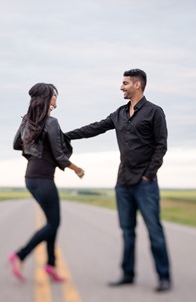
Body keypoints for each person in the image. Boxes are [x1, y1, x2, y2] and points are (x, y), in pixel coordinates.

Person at [65, 69, 171, 292]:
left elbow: (161, 146)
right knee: (127, 230)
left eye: (125, 83)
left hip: (145, 183)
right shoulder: (119, 114)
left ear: (138, 85)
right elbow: (94, 128)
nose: (121, 87)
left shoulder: (154, 112)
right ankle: (127, 274)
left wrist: (149, 174)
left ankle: (164, 277)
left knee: (154, 230)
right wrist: (65, 135)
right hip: (123, 182)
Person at [9, 82, 85, 283]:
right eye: (54, 95)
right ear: (47, 98)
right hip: (42, 179)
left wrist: (35, 146)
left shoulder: (28, 121)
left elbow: (17, 144)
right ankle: (20, 255)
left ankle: (50, 265)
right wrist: (76, 169)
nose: (56, 99)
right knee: (53, 223)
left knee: (52, 222)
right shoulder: (51, 122)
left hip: (31, 177)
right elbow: (60, 156)